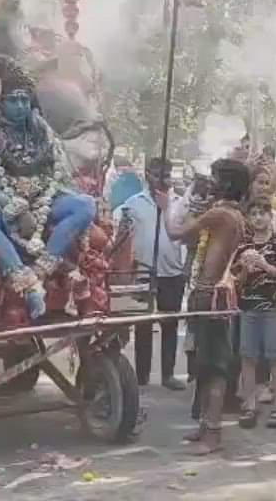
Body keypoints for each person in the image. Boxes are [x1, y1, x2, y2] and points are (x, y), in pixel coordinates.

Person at [0, 57, 96, 320]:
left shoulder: (40, 129)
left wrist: (42, 197)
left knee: (85, 206)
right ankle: (24, 282)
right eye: (14, 100)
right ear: (0, 102)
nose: (21, 106)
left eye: (25, 99)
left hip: (42, 197)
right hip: (0, 200)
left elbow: (59, 172)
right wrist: (14, 206)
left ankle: (40, 273)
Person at [172, 158, 250, 455]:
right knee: (204, 365)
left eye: (216, 178)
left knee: (213, 367)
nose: (211, 182)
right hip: (210, 294)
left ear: (227, 184)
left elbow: (176, 232)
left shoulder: (220, 214)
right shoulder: (230, 215)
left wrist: (170, 202)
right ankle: (206, 425)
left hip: (212, 295)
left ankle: (213, 434)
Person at [117, 158, 187, 390]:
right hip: (144, 270)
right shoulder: (133, 204)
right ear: (147, 175)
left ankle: (168, 374)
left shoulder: (180, 203)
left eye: (167, 175)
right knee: (143, 325)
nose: (163, 180)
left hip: (172, 271)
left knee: (170, 322)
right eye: (158, 175)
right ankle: (142, 375)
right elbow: (122, 237)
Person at [231, 196, 276, 430]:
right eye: (253, 214)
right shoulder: (242, 248)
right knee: (248, 356)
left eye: (262, 213)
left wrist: (264, 264)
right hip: (248, 309)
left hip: (273, 309)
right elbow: (237, 282)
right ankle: (250, 405)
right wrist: (245, 268)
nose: (257, 218)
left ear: (270, 216)